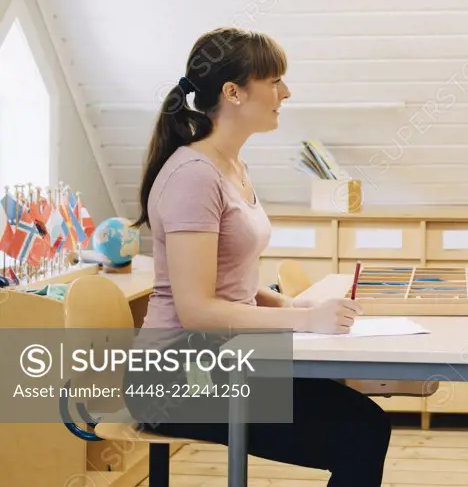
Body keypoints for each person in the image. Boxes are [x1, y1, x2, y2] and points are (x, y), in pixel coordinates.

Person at [128, 27, 391, 487]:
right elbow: (198, 311)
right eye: (274, 81)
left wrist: (290, 307)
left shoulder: (232, 167)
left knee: (362, 423)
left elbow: (229, 279)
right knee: (361, 432)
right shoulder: (194, 176)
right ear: (232, 92)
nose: (285, 92)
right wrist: (306, 322)